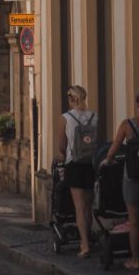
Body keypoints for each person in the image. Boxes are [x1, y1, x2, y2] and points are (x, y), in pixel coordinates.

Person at [57, 84, 97, 258]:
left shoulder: (65, 117)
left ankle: (85, 245)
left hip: (74, 164)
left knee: (79, 207)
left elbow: (61, 145)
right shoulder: (94, 116)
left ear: (71, 99)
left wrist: (61, 156)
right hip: (90, 164)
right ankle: (86, 239)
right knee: (88, 206)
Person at [100, 91, 139, 269]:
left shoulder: (127, 124)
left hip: (131, 179)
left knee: (134, 221)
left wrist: (107, 162)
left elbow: (113, 150)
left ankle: (135, 260)